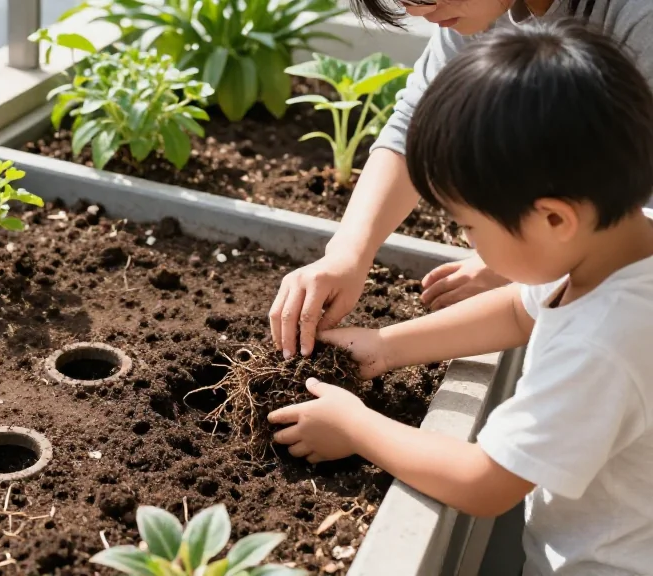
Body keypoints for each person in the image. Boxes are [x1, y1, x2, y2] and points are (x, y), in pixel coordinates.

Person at [269, 21, 653, 575]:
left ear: (554, 218)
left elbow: (484, 482)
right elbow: (522, 308)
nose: (465, 243)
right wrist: (384, 347)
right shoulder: (618, 246)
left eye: (469, 227)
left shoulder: (604, 343)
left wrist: (355, 426)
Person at [269, 0, 653, 358]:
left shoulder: (640, 16)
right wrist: (348, 254)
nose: (419, 10)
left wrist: (524, 258)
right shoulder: (473, 8)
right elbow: (415, 123)